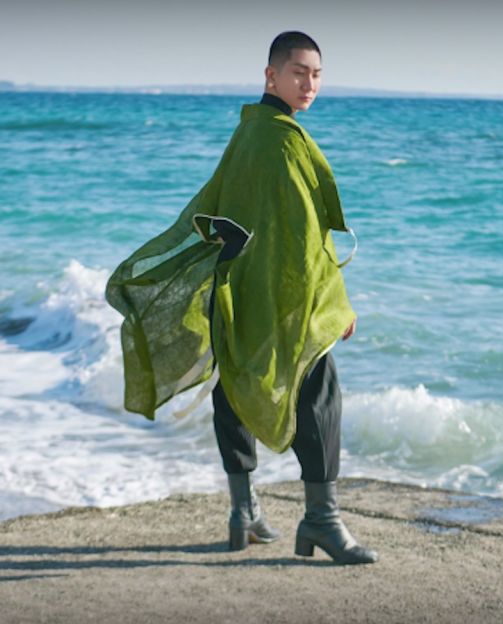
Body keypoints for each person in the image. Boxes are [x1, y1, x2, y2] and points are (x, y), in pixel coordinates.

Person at [104, 31, 376, 565]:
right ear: (271, 76)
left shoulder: (249, 133)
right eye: (298, 72)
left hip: (237, 286)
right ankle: (321, 519)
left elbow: (232, 210)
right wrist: (333, 304)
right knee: (318, 388)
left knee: (235, 382)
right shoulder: (282, 140)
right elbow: (303, 236)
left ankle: (243, 512)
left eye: (317, 74)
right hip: (274, 289)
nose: (309, 84)